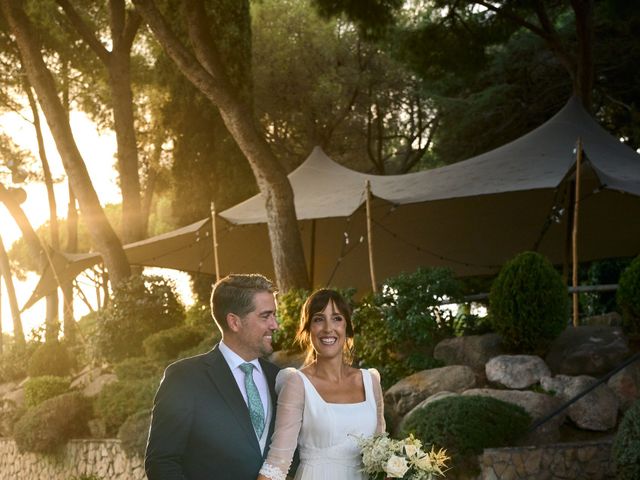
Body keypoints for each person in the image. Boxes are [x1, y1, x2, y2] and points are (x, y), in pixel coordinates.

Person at [145, 274, 281, 480]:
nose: (275, 325)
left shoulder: (279, 378)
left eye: (274, 315)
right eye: (265, 316)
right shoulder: (185, 378)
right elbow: (162, 462)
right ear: (234, 322)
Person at [257, 289, 385, 480]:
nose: (328, 328)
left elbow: (382, 453)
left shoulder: (371, 381)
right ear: (308, 329)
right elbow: (278, 461)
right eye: (318, 319)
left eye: (337, 318)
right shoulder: (296, 383)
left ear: (347, 328)